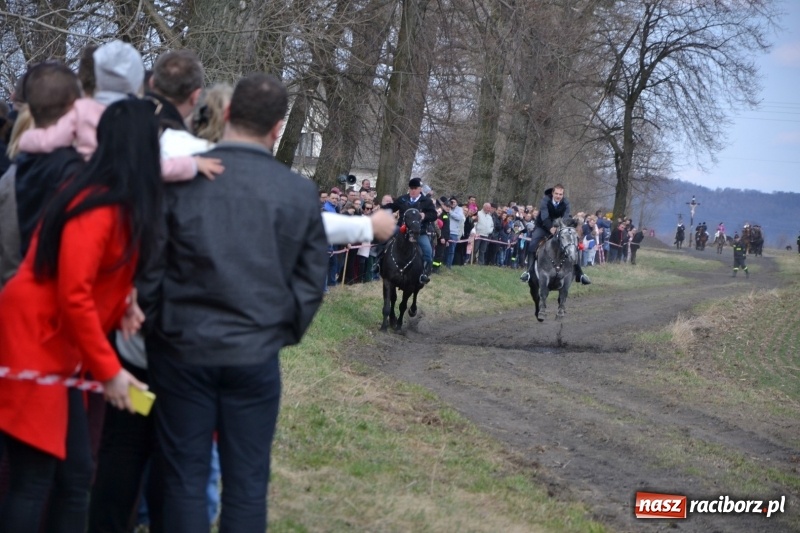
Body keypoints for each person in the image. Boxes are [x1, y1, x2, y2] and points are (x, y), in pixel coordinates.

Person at [141, 73, 328, 533]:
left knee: (185, 477)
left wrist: (162, 326)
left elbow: (150, 265)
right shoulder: (296, 192)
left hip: (187, 348)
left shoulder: (189, 178)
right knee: (246, 483)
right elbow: (310, 281)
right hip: (248, 351)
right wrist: (282, 331)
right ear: (278, 128)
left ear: (225, 113)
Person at [0, 98, 160, 533]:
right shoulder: (97, 204)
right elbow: (72, 293)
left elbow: (93, 276)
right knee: (34, 478)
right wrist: (109, 371)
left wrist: (124, 302)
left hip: (59, 346)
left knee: (75, 473)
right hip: (34, 341)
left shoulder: (115, 200)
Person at [519, 185, 591, 285]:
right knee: (533, 243)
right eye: (556, 194)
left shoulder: (566, 203)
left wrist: (560, 227)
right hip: (543, 226)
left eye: (560, 194)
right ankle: (528, 272)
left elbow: (565, 217)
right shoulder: (545, 200)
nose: (558, 196)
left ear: (563, 195)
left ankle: (580, 274)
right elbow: (544, 216)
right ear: (553, 193)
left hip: (559, 227)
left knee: (572, 244)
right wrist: (550, 228)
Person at [386, 177, 437, 283]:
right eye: (411, 188)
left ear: (420, 189)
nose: (413, 190)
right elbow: (392, 207)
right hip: (402, 229)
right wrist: (381, 208)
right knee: (384, 239)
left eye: (415, 188)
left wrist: (425, 215)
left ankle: (424, 273)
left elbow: (434, 215)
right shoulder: (402, 199)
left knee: (428, 251)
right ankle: (378, 264)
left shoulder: (426, 201)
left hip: (419, 231)